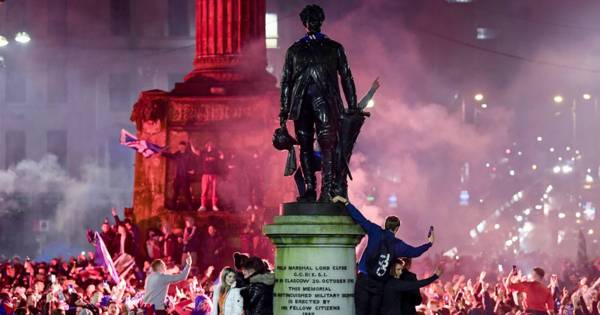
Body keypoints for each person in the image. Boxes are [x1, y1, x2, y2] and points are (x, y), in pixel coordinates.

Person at [279, 4, 358, 202]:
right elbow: (286, 82)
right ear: (305, 23)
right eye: (309, 20)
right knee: (306, 146)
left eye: (314, 20)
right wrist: (284, 109)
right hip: (302, 104)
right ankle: (310, 190)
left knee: (327, 145)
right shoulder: (294, 51)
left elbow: (346, 77)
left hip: (326, 103)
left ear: (319, 22)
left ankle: (326, 190)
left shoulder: (334, 48)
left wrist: (353, 104)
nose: (312, 24)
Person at [332, 195, 434, 315]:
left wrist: (345, 202)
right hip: (379, 285)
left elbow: (359, 218)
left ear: (385, 225)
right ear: (396, 229)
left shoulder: (374, 231)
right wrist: (429, 243)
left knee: (359, 312)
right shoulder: (398, 245)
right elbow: (415, 252)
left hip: (364, 280)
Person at [162, 141, 197, 210]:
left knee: (187, 192)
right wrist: (163, 152)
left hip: (185, 176)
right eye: (179, 146)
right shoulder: (177, 154)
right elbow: (170, 156)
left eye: (182, 146)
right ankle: (173, 206)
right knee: (176, 192)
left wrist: (193, 170)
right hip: (178, 176)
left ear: (184, 147)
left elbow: (194, 161)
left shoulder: (188, 155)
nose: (180, 147)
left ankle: (190, 206)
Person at [197, 141, 223, 211]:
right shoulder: (203, 153)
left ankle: (214, 205)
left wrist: (221, 154)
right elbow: (195, 152)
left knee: (214, 190)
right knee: (204, 190)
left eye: (211, 144)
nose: (209, 145)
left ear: (213, 145)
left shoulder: (215, 152)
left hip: (214, 174)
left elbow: (222, 157)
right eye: (208, 144)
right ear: (205, 145)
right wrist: (191, 144)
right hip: (205, 174)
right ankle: (203, 206)